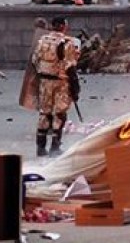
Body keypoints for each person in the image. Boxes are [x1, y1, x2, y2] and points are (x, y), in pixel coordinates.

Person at [30, 17, 80, 157]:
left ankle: (40, 147)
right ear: (63, 26)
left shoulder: (42, 40)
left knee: (44, 113)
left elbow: (35, 60)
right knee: (59, 114)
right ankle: (55, 147)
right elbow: (70, 67)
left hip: (44, 82)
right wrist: (75, 88)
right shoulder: (67, 42)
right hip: (60, 82)